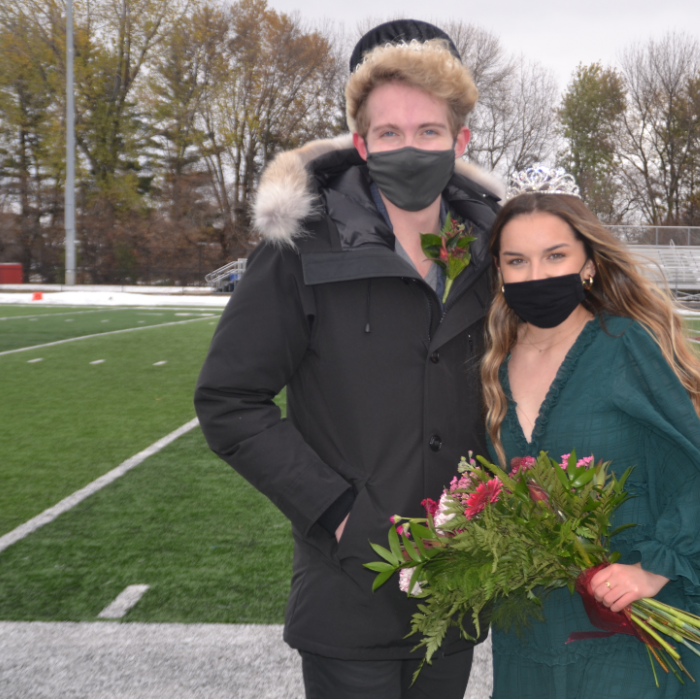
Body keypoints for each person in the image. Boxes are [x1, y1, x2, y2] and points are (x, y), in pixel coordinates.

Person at [194, 20, 503, 699]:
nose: (410, 147)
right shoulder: (299, 246)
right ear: (361, 144)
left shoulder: (493, 247)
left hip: (454, 590)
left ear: (461, 141)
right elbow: (228, 401)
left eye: (428, 132)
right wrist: (339, 513)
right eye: (389, 134)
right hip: (347, 588)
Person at [480, 166, 700, 698]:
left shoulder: (626, 347)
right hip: (532, 629)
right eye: (517, 261)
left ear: (589, 265)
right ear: (500, 273)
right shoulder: (495, 365)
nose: (536, 274)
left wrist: (650, 569)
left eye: (555, 255)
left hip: (632, 621)